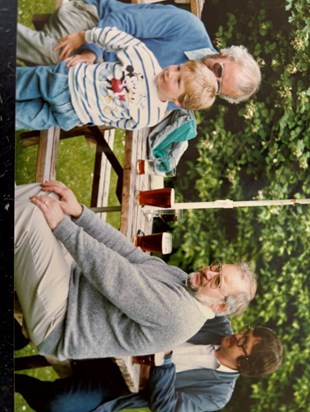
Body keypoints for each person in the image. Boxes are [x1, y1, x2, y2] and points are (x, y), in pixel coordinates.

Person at [15, 181, 257, 361]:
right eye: (217, 268)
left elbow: (115, 276)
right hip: (74, 284)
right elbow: (128, 254)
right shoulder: (184, 283)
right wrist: (78, 213)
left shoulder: (181, 314)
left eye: (217, 282)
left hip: (62, 321)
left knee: (31, 214)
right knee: (48, 196)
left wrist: (63, 225)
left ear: (221, 307)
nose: (209, 273)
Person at [17, 0, 261, 104]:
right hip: (93, 23)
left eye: (218, 86)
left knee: (62, 88)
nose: (211, 74)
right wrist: (91, 52)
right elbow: (123, 20)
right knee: (60, 62)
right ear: (224, 54)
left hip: (100, 73)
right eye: (219, 69)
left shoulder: (188, 90)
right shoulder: (189, 28)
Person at [14, 317, 284, 412]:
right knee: (46, 323)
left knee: (56, 405)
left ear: (244, 364)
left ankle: (15, 381)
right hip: (116, 338)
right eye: (245, 332)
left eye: (242, 342)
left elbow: (165, 407)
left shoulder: (217, 395)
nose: (236, 335)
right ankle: (17, 338)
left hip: (115, 384)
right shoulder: (218, 323)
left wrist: (163, 359)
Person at [15, 26, 217, 131]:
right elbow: (115, 38)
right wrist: (86, 36)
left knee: (18, 117)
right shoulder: (144, 59)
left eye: (178, 81)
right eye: (179, 68)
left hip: (71, 114)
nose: (171, 72)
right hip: (66, 82)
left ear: (178, 101)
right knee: (15, 84)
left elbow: (122, 122)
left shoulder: (152, 116)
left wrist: (90, 118)